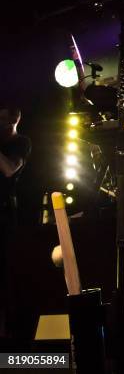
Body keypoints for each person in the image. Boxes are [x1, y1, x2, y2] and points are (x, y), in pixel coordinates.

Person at [0, 104, 31, 336]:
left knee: (6, 271)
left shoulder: (21, 143)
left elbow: (10, 169)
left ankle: (10, 331)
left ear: (13, 120)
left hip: (4, 213)